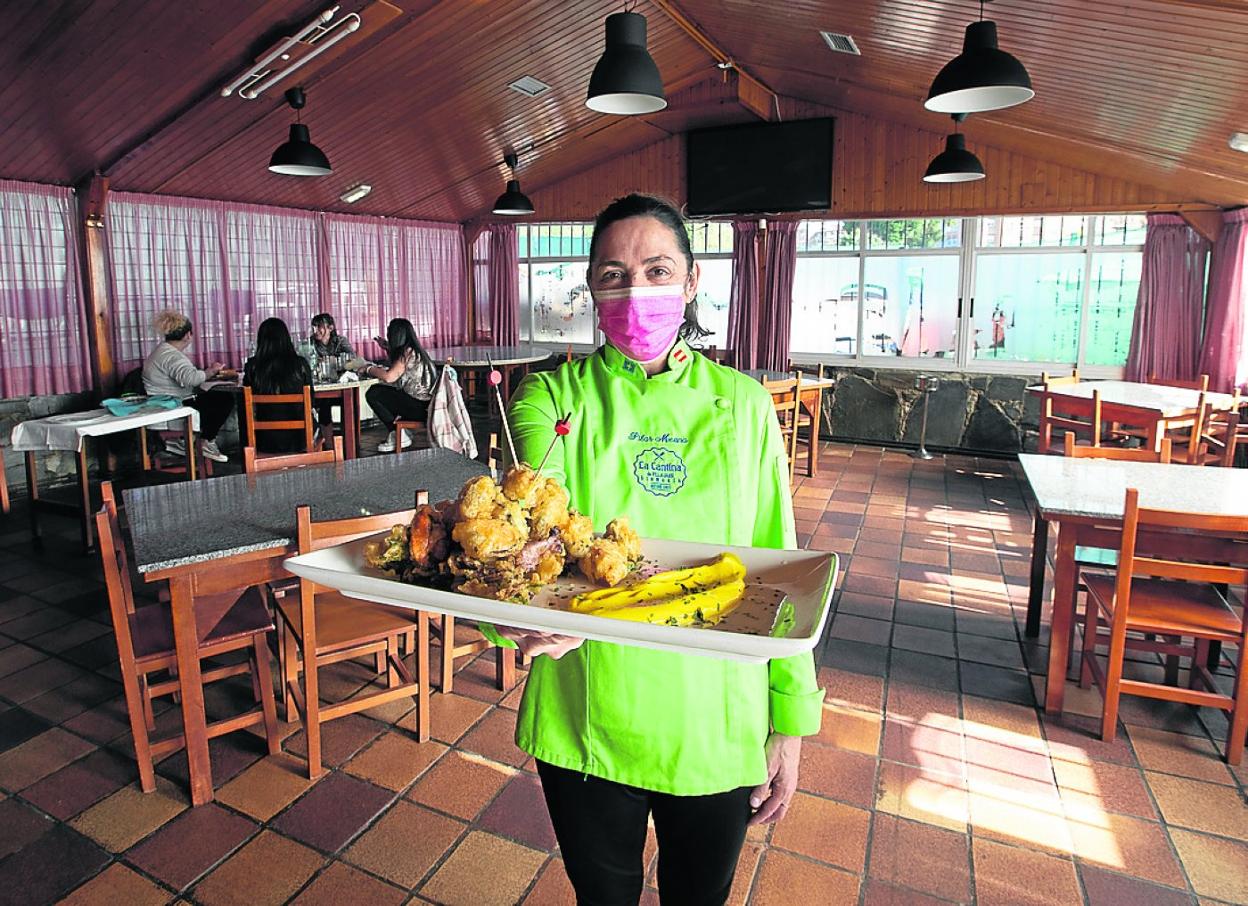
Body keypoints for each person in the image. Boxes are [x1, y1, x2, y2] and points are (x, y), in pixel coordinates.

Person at [487, 194, 823, 905]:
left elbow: (783, 569)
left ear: (692, 281)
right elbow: (526, 529)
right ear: (591, 287)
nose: (635, 291)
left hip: (717, 714)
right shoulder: (551, 399)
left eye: (657, 270)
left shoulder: (745, 405)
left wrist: (790, 721)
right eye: (613, 275)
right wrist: (513, 614)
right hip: (586, 706)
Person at [142, 310, 233, 463]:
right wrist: (211, 371)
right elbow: (191, 379)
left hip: (162, 403)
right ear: (187, 335)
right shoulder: (172, 356)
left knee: (212, 398)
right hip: (173, 406)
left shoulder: (161, 351)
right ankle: (205, 441)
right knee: (224, 400)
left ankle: (184, 441)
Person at [361, 318, 437, 452]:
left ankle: (397, 432)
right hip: (427, 406)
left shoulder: (405, 353)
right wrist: (387, 348)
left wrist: (368, 369)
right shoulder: (416, 351)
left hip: (418, 409)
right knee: (384, 392)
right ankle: (400, 432)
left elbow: (389, 377)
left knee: (374, 393)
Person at [243, 318, 315, 454]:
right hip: (299, 439)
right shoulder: (300, 364)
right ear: (286, 338)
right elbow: (311, 401)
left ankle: (249, 458)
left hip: (264, 440)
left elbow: (245, 403)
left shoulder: (252, 366)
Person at [309, 313, 352, 429]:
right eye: (314, 326)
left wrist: (329, 361)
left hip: (339, 386)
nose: (315, 330)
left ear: (330, 328)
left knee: (348, 400)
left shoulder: (340, 341)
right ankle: (324, 435)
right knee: (323, 401)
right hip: (319, 388)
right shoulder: (310, 343)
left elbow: (352, 359)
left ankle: (347, 434)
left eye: (319, 326)